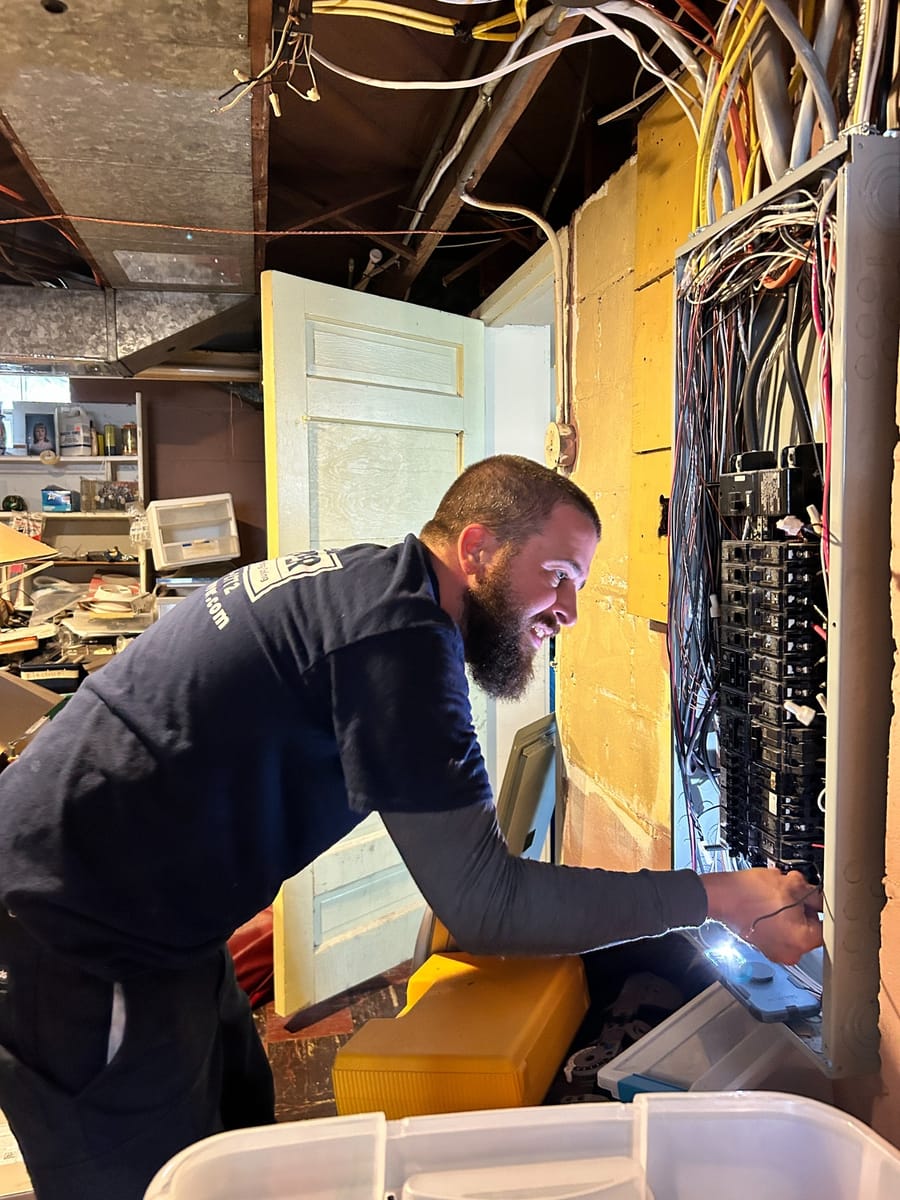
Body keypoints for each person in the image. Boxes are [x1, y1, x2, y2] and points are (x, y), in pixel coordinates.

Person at [0, 455, 821, 1199]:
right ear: (476, 550)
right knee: (146, 1181)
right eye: (559, 575)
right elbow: (487, 905)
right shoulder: (398, 639)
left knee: (233, 1138)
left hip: (162, 918)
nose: (569, 611)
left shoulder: (372, 586)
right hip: (70, 925)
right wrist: (718, 896)